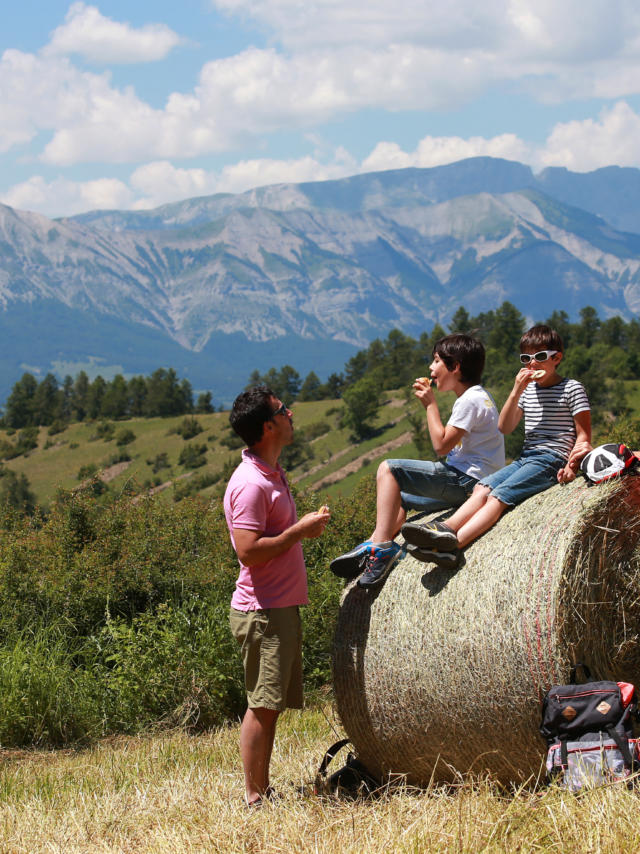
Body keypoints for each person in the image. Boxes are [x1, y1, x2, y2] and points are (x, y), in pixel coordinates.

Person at [402, 325, 591, 567]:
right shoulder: (527, 392)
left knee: (498, 497)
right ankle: (445, 528)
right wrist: (516, 390)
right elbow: (505, 427)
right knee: (482, 488)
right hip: (527, 458)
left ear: (557, 358)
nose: (533, 364)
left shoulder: (572, 389)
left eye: (540, 357)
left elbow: (583, 437)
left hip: (552, 459)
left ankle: (453, 546)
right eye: (526, 359)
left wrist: (572, 465)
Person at [224, 386, 330, 807]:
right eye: (283, 410)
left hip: (277, 607)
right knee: (263, 706)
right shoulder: (250, 484)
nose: (292, 413)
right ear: (268, 426)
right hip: (262, 611)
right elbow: (248, 551)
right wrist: (300, 531)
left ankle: (261, 789)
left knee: (270, 705)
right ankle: (254, 796)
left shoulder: (269, 472)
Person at [330, 333, 505, 587]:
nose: (431, 369)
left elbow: (441, 446)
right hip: (468, 482)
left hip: (465, 481)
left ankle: (381, 549)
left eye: (436, 361)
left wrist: (430, 406)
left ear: (455, 367)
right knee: (397, 496)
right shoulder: (477, 396)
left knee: (388, 469)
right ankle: (377, 544)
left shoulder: (471, 400)